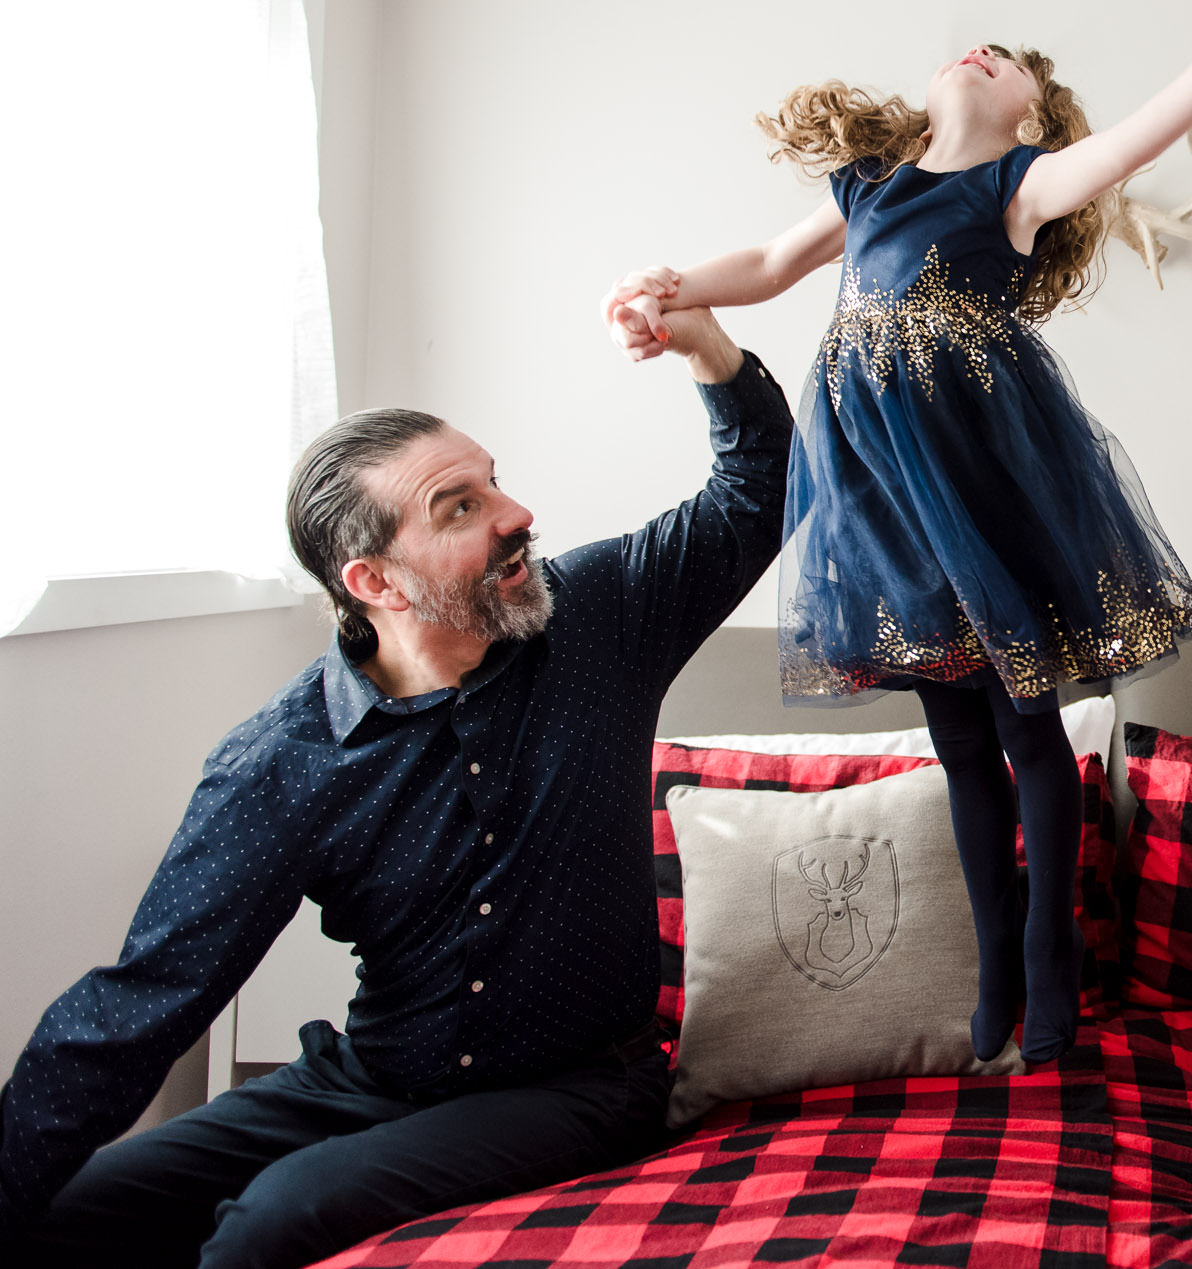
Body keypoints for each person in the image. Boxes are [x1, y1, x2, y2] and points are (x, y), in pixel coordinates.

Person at [599, 0, 1192, 1065]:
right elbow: (768, 263)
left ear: (1032, 109)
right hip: (883, 496)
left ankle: (1049, 960)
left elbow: (1124, 149)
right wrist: (667, 289)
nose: (985, 51)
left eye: (1011, 59)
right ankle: (992, 974)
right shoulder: (868, 182)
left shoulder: (1017, 189)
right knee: (958, 739)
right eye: (974, 48)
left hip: (984, 483)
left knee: (1026, 731)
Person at [0, 306, 791, 1269]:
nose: (516, 514)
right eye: (459, 506)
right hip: (366, 1079)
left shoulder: (599, 618)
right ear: (374, 580)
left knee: (274, 1218)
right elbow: (140, 1005)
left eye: (493, 481)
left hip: (582, 1083)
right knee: (62, 1210)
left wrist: (708, 349)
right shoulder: (281, 763)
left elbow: (756, 491)